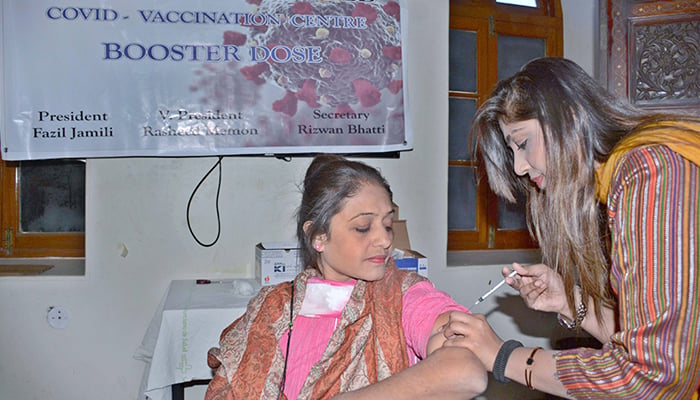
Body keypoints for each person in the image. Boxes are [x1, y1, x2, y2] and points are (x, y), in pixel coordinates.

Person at [441, 57, 700, 399]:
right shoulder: (627, 178)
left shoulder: (649, 172)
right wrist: (569, 300)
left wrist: (503, 356)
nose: (519, 167)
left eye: (522, 143)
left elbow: (653, 378)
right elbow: (657, 344)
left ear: (568, 118)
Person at [205, 154, 487, 400]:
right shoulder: (274, 308)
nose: (385, 240)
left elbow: (466, 371)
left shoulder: (402, 295)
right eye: (363, 227)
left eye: (387, 224)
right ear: (319, 237)